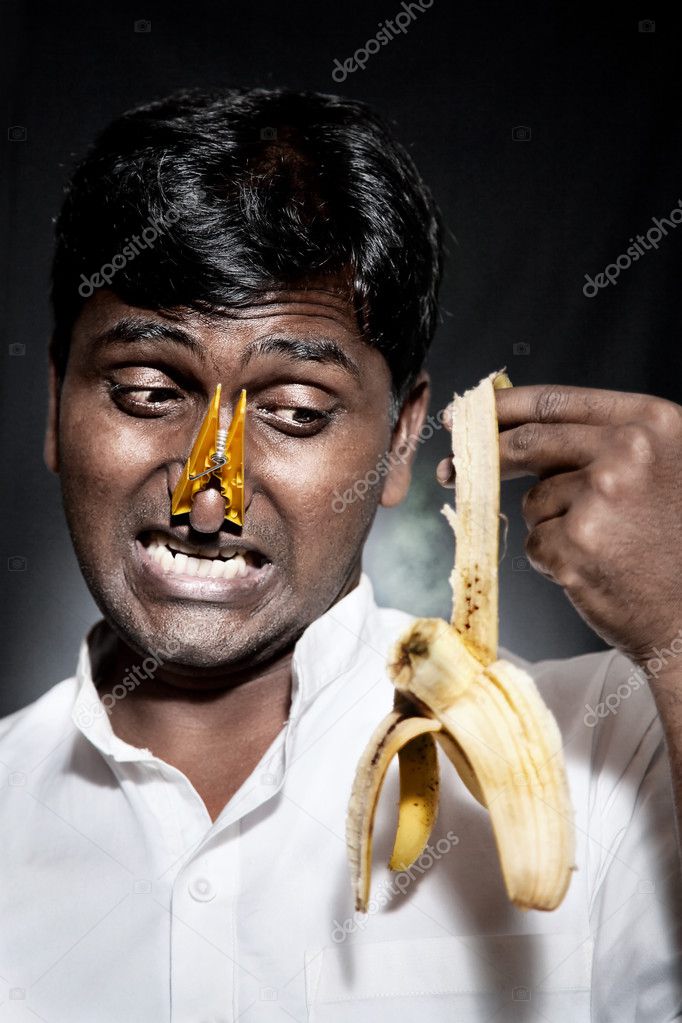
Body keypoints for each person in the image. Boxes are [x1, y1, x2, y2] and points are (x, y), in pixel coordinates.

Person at [1, 86, 680, 1022]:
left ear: (401, 439)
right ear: (54, 404)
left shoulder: (614, 758)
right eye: (148, 389)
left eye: (297, 413)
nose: (209, 496)